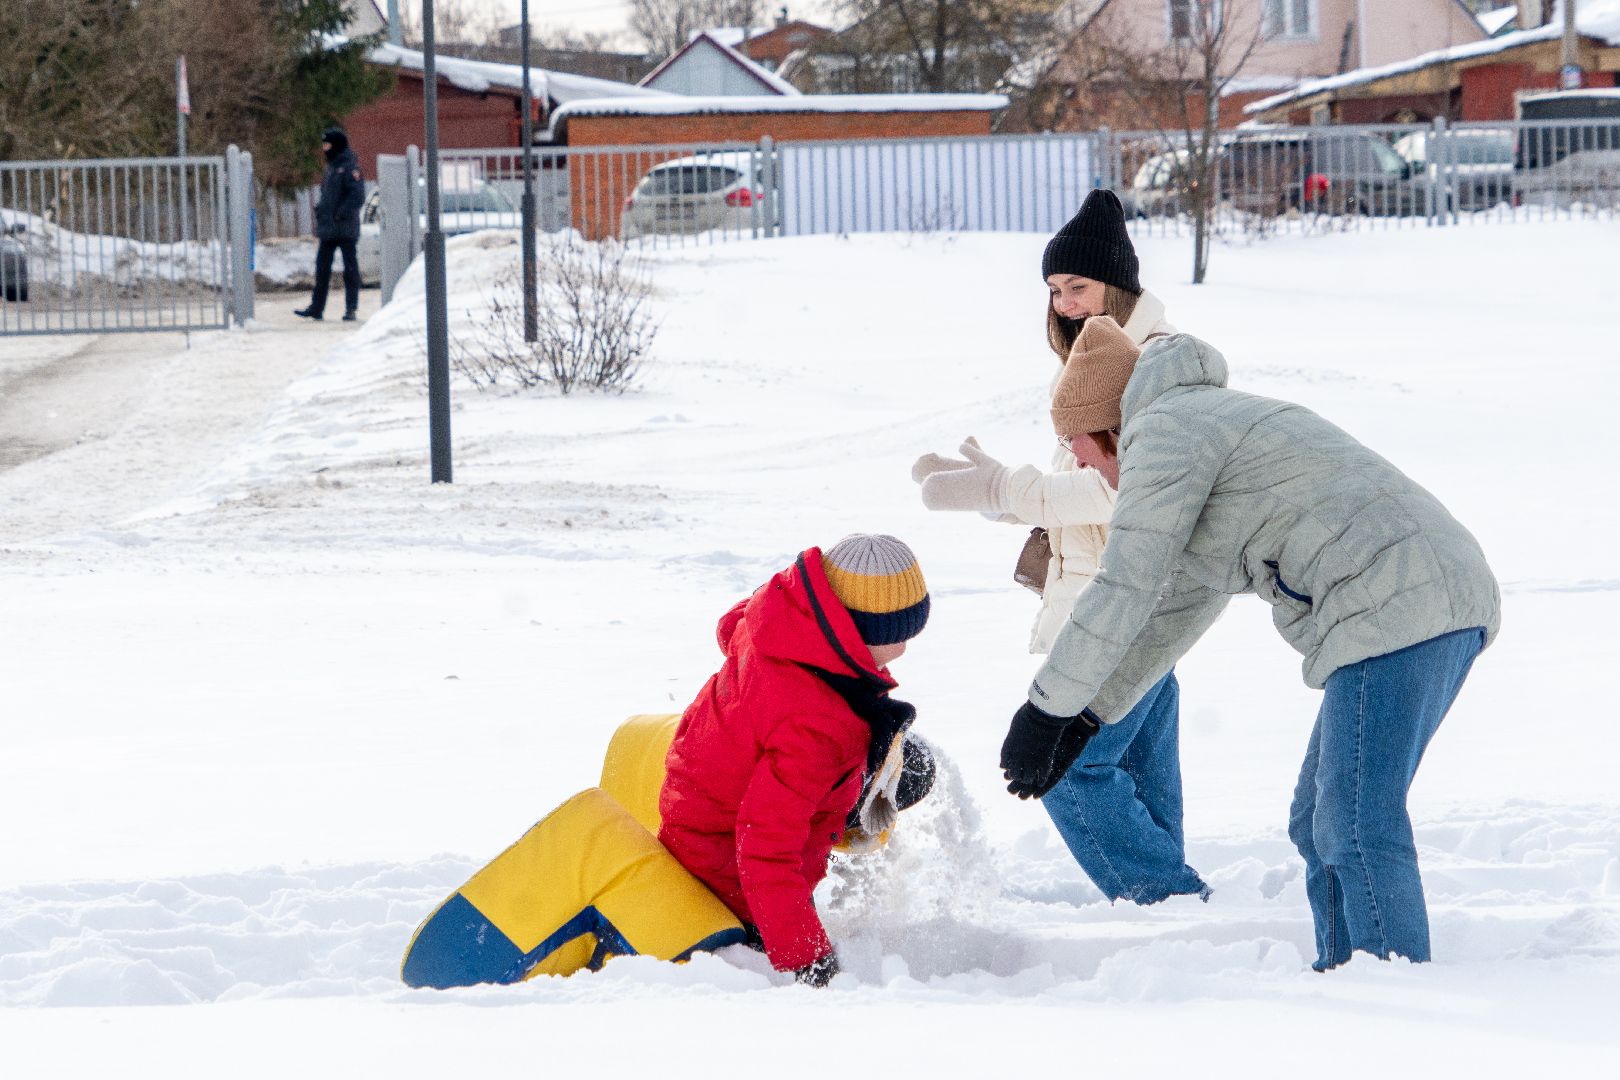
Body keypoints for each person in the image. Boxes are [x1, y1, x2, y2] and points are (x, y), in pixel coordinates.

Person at [999, 316, 1500, 971]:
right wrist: (1091, 713)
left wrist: (1045, 709)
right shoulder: (1204, 433)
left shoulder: (1166, 430)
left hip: (1398, 602)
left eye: (1078, 446)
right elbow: (1170, 610)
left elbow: (1125, 581)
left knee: (1354, 818)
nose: (1082, 464)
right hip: (1415, 599)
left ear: (1109, 428)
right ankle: (1348, 974)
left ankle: (1393, 980)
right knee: (1319, 815)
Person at [910, 189, 1208, 906]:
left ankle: (1163, 898)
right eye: (1053, 288)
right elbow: (1082, 484)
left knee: (1072, 767)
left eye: (1077, 285)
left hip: (1124, 600)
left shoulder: (1150, 362)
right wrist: (1001, 500)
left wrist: (1009, 490)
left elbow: (1126, 491)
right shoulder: (1097, 355)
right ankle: (1177, 916)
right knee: (1132, 764)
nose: (1065, 302)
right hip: (1121, 596)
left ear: (1116, 283)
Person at [658, 534, 935, 987]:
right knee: (902, 771)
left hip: (704, 792)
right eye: (903, 635)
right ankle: (767, 925)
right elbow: (763, 846)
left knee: (914, 768)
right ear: (869, 633)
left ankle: (840, 822)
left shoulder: (782, 623)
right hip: (722, 867)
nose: (906, 647)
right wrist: (807, 958)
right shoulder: (816, 725)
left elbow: (731, 624)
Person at [295, 127, 365, 322]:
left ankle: (351, 308)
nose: (324, 148)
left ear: (336, 145)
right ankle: (316, 308)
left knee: (350, 269)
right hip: (328, 228)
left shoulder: (350, 167)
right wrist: (321, 210)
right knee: (322, 268)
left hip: (345, 228)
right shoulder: (331, 167)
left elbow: (357, 196)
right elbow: (328, 196)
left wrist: (341, 213)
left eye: (327, 144)